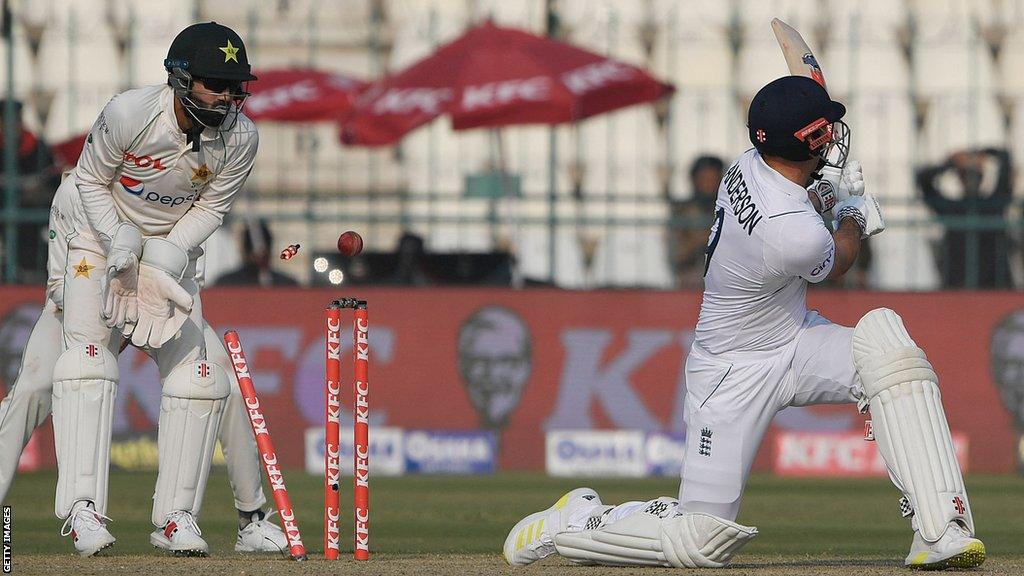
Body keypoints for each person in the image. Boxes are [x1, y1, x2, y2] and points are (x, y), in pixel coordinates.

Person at [503, 76, 984, 570]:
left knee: (887, 345)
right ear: (808, 140)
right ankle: (579, 521)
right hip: (730, 373)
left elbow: (797, 200)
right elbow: (838, 258)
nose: (837, 133)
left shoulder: (750, 163)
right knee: (701, 540)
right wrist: (853, 213)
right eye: (826, 128)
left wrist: (824, 192)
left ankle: (940, 530)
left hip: (795, 340)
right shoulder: (790, 234)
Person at [12, 21, 265, 557]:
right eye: (215, 83)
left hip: (167, 256)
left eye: (234, 85)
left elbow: (212, 208)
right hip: (94, 244)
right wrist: (120, 242)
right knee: (58, 375)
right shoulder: (130, 112)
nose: (228, 96)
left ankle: (237, 519)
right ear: (180, 78)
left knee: (208, 378)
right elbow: (87, 182)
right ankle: (82, 510)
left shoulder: (241, 138)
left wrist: (164, 259)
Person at [0, 256, 289, 555]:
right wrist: (97, 312)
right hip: (84, 302)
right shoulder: (82, 207)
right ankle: (83, 512)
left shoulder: (183, 208)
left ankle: (250, 519)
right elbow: (61, 278)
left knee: (222, 385)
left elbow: (189, 266)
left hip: (158, 300)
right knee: (30, 391)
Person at [917, 148, 1014, 288]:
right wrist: (978, 156)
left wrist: (956, 162)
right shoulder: (992, 205)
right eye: (966, 174)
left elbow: (924, 179)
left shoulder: (990, 205)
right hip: (963, 285)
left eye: (974, 174)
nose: (971, 179)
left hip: (988, 285)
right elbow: (923, 179)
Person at [0, 99, 61, 282]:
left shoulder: (38, 148)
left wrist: (39, 192)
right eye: (6, 120)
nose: (12, 125)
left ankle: (33, 273)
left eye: (16, 119)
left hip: (32, 213)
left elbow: (54, 184)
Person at [669, 156, 724, 289]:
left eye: (713, 180)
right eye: (704, 179)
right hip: (691, 285)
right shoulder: (682, 212)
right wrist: (704, 237)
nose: (708, 185)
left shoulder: (731, 211)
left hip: (724, 287)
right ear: (694, 180)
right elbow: (676, 256)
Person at [214, 218, 298, 286]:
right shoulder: (227, 284)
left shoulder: (287, 285)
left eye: (264, 251)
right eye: (253, 253)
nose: (259, 256)